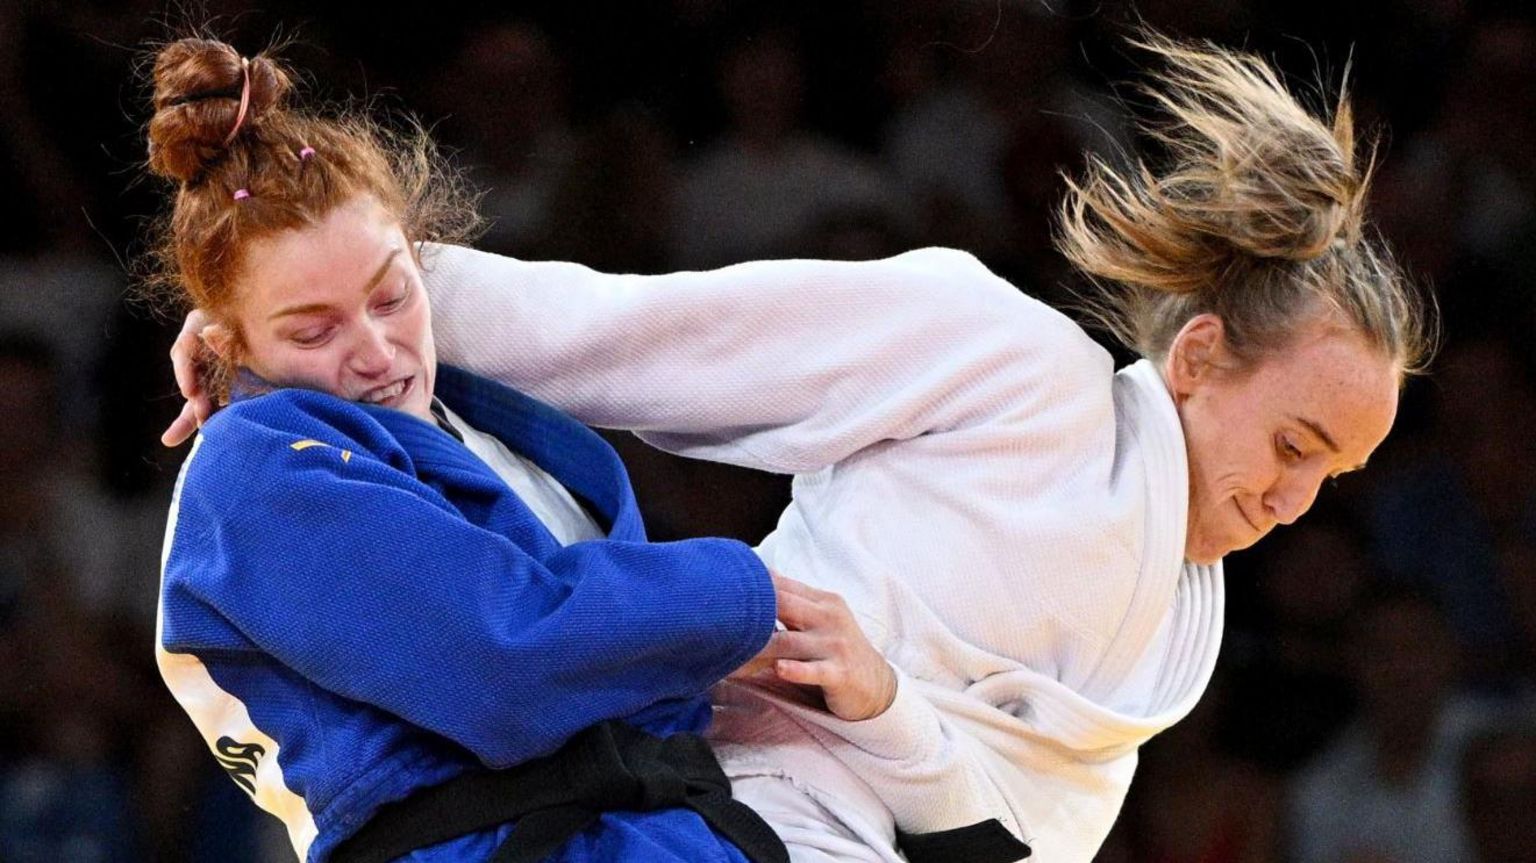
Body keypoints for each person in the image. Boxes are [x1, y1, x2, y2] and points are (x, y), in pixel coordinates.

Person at [164, 35, 1432, 863]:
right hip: (709, 809)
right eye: (1293, 441)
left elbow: (1001, 847)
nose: (1295, 497)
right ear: (1200, 357)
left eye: (1334, 474)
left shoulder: (1183, 633)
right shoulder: (1007, 355)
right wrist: (288, 332)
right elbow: (643, 341)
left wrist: (892, 714)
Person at [145, 37, 900, 863]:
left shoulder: (484, 425)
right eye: (313, 330)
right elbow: (507, 657)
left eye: (392, 296)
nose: (372, 349)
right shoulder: (255, 469)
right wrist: (733, 598)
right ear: (229, 343)